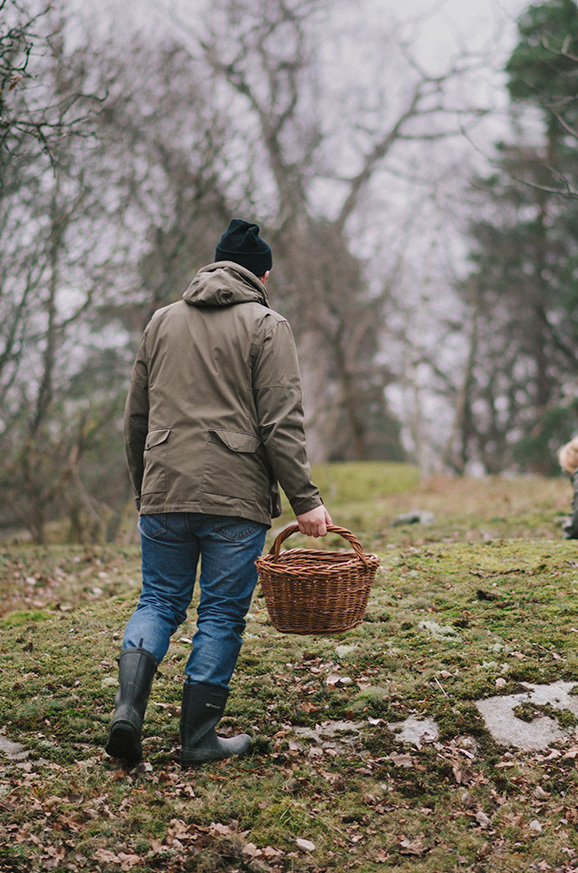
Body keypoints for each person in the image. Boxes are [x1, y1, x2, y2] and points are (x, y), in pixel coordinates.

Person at [106, 218, 332, 768]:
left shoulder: (161, 321)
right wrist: (306, 500)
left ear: (215, 264)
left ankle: (127, 713)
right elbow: (281, 422)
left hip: (163, 488)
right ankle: (199, 739)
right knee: (221, 617)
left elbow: (135, 418)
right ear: (264, 274)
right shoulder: (266, 324)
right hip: (234, 498)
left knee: (158, 601)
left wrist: (147, 487)